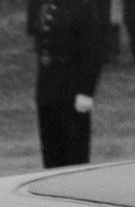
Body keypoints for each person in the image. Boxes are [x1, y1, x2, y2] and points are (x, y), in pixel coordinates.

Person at [35, 0, 102, 167]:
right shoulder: (49, 6)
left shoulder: (83, 7)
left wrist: (86, 92)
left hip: (70, 88)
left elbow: (92, 52)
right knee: (51, 151)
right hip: (49, 88)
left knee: (74, 153)